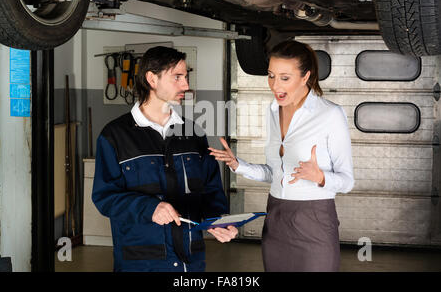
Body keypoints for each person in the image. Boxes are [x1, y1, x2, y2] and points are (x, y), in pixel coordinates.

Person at [209, 39, 354, 272]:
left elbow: (347, 181)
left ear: (305, 77)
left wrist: (320, 177)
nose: (275, 85)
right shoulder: (273, 110)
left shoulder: (330, 114)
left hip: (314, 220)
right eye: (271, 76)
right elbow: (275, 173)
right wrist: (238, 165)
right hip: (276, 218)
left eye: (285, 78)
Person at [92, 46, 238, 272]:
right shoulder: (115, 136)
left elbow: (211, 191)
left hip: (189, 263)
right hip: (141, 263)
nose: (186, 85)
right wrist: (149, 208)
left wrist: (218, 221)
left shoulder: (194, 134)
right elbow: (105, 197)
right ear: (152, 78)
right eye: (177, 77)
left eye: (186, 77)